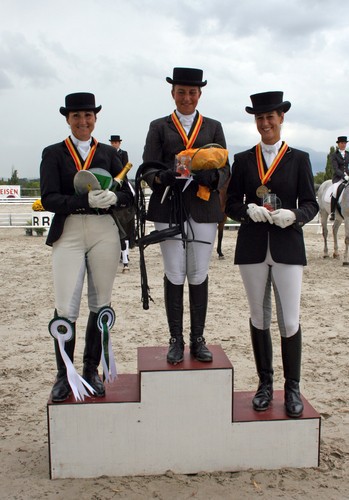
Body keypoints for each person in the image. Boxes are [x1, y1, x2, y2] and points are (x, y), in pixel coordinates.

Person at [225, 91, 318, 418]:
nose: (265, 123)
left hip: (287, 244)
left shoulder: (299, 158)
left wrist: (295, 215)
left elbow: (311, 203)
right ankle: (266, 384)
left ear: (280, 118)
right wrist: (246, 210)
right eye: (260, 118)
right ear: (256, 120)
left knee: (289, 318)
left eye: (270, 117)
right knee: (259, 316)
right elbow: (231, 203)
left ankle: (292, 387)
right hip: (252, 245)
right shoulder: (243, 160)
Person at [40, 92, 134, 402]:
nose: (83, 121)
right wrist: (83, 200)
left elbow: (129, 197)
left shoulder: (110, 153)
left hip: (103, 231)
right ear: (68, 119)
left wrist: (115, 198)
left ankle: (91, 368)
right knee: (66, 304)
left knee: (100, 302)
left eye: (88, 116)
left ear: (95, 117)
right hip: (69, 230)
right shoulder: (53, 153)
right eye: (77, 116)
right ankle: (64, 373)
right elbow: (50, 197)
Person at [140, 67, 230, 364]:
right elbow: (148, 167)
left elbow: (225, 168)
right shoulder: (159, 126)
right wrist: (161, 177)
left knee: (199, 272)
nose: (187, 97)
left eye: (192, 93)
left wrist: (212, 179)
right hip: (169, 206)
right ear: (173, 93)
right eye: (181, 92)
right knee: (174, 272)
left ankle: (198, 338)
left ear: (199, 94)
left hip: (203, 206)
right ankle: (176, 339)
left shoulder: (213, 127)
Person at [109, 134, 133, 272]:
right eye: (113, 142)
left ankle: (136, 206)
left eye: (116, 142)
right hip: (112, 179)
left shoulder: (123, 154)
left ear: (119, 143)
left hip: (122, 176)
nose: (114, 144)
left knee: (131, 191)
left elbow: (125, 167)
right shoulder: (108, 153)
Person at [329, 136, 349, 220]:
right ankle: (332, 212)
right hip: (338, 178)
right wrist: (344, 176)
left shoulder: (348, 154)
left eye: (345, 143)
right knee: (334, 191)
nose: (343, 145)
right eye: (342, 143)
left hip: (348, 176)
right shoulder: (334, 155)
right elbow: (336, 168)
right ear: (338, 144)